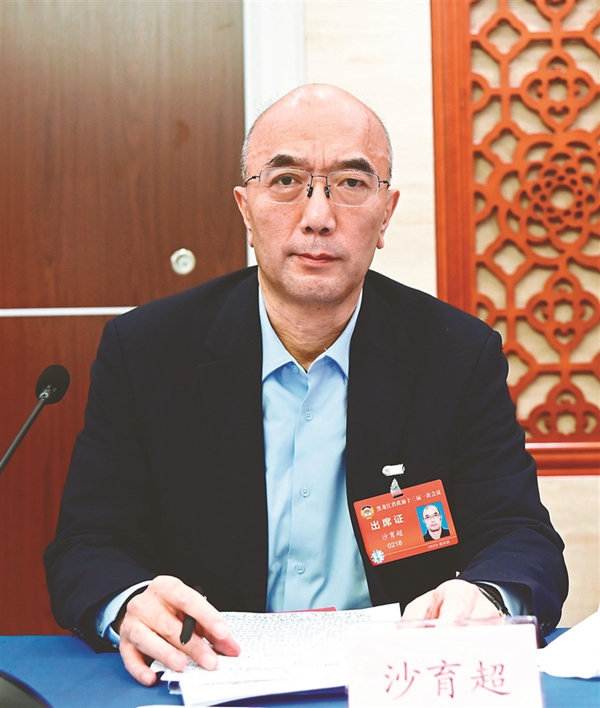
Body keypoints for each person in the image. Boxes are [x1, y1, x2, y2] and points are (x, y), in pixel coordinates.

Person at [44, 84, 568, 687]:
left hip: (393, 681)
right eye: (287, 180)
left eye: (351, 183)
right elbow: (87, 543)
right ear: (246, 208)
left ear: (386, 213)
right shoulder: (147, 352)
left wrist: (489, 596)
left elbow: (521, 536)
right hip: (210, 674)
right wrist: (131, 602)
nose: (318, 217)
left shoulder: (456, 354)